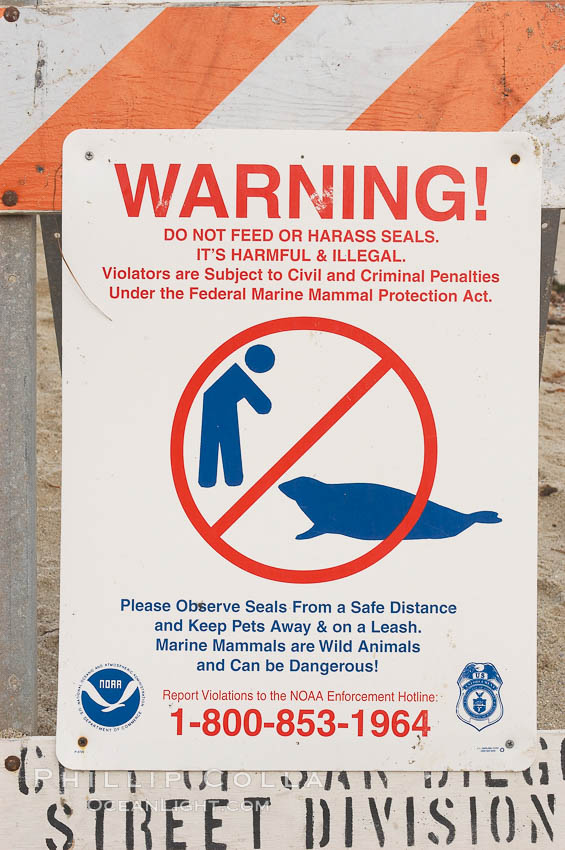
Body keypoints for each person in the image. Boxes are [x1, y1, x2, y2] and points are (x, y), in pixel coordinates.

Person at [198, 344, 275, 487]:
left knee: (217, 450)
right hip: (221, 412)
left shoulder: (234, 376)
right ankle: (218, 479)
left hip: (217, 410)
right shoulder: (237, 376)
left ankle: (213, 479)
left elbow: (263, 406)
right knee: (225, 443)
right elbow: (263, 406)